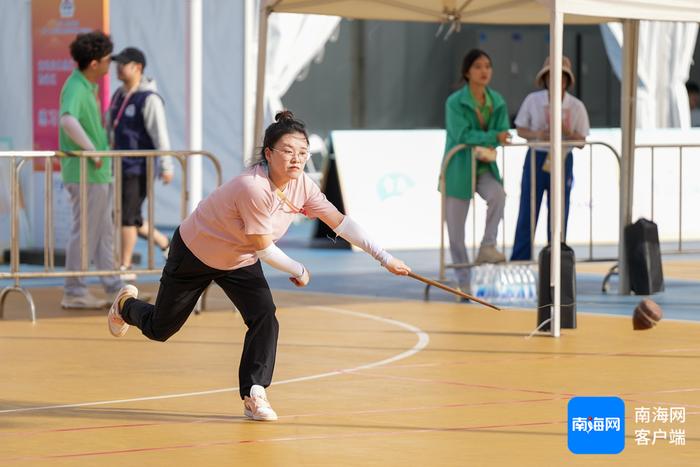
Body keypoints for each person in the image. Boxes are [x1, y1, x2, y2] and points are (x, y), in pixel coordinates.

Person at [107, 111, 411, 421]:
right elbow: (264, 248)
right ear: (268, 153)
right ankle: (126, 305)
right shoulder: (252, 187)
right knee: (161, 328)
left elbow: (341, 223)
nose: (297, 159)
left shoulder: (303, 185)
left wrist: (385, 258)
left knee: (264, 315)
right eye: (288, 151)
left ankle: (254, 392)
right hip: (196, 251)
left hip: (239, 258)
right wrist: (298, 269)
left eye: (303, 152)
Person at [59, 30, 123, 309]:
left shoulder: (86, 86)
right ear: (94, 63)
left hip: (96, 172)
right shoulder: (76, 87)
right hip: (86, 173)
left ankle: (112, 286)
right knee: (86, 231)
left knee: (103, 232)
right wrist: (91, 150)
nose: (112, 65)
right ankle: (74, 290)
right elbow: (67, 121)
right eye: (108, 60)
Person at [441, 49, 510, 294]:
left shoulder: (497, 101)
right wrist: (495, 136)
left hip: (484, 167)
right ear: (467, 71)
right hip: (459, 167)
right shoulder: (454, 102)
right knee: (456, 233)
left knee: (498, 195)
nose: (484, 71)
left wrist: (498, 137)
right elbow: (462, 135)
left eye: (488, 66)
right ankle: (464, 282)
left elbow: (503, 131)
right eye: (479, 66)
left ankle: (487, 245)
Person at [510, 55, 590, 261]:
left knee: (559, 211)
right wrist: (539, 135)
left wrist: (565, 131)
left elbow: (581, 141)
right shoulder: (533, 100)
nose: (557, 81)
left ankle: (555, 258)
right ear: (545, 79)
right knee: (528, 208)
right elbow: (520, 129)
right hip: (537, 157)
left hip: (563, 158)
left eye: (562, 77)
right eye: (551, 76)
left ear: (567, 81)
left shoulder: (576, 106)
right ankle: (521, 259)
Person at [107, 47, 174, 280]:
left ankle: (125, 268)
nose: (118, 67)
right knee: (126, 216)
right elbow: (111, 128)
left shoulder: (149, 99)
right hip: (118, 166)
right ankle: (164, 242)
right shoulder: (118, 94)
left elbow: (160, 135)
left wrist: (166, 166)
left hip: (138, 168)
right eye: (117, 63)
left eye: (123, 63)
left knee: (126, 216)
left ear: (138, 68)